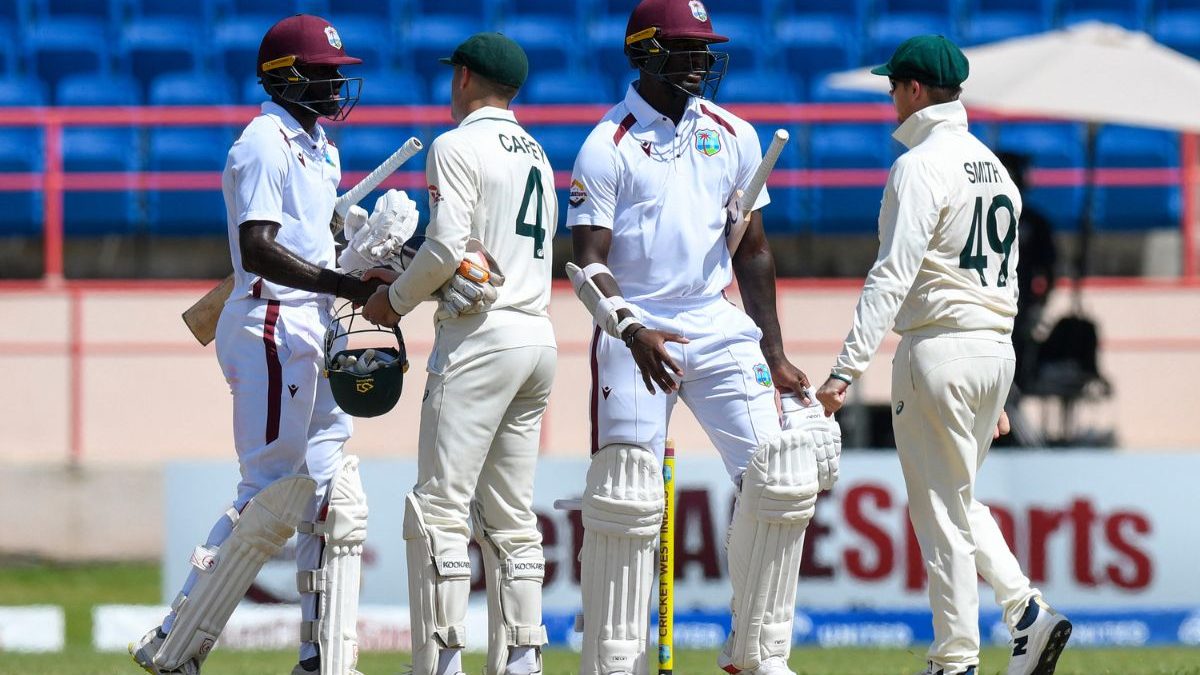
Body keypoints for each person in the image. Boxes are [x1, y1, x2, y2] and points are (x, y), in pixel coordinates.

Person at [130, 14, 413, 675]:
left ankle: (321, 656)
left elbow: (305, 241)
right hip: (269, 323)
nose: (335, 84)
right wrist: (346, 278)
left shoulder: (320, 147)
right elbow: (258, 249)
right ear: (285, 78)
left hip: (308, 320)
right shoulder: (262, 142)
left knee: (328, 492)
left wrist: (353, 246)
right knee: (265, 492)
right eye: (321, 73)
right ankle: (176, 637)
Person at [564, 1, 840, 674]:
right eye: (686, 49)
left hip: (715, 321)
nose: (701, 61)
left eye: (704, 48)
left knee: (784, 473)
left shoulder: (733, 134)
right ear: (647, 53)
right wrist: (630, 329)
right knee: (628, 496)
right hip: (636, 324)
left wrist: (774, 353)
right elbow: (587, 261)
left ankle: (755, 654)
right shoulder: (609, 144)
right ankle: (615, 661)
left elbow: (752, 251)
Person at [813, 35, 1073, 675]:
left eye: (893, 87)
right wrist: (1002, 387)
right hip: (993, 351)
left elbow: (890, 276)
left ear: (915, 90)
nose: (890, 99)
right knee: (958, 499)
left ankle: (955, 659)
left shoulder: (919, 165)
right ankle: (1026, 614)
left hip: (937, 349)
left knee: (940, 517)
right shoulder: (998, 171)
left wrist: (845, 369)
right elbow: (1005, 285)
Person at [361, 32, 556, 675]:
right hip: (536, 335)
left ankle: (442, 662)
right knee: (511, 512)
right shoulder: (538, 154)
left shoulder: (456, 145)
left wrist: (394, 298)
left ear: (464, 78)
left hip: (480, 338)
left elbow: (448, 250)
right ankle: (523, 658)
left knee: (439, 508)